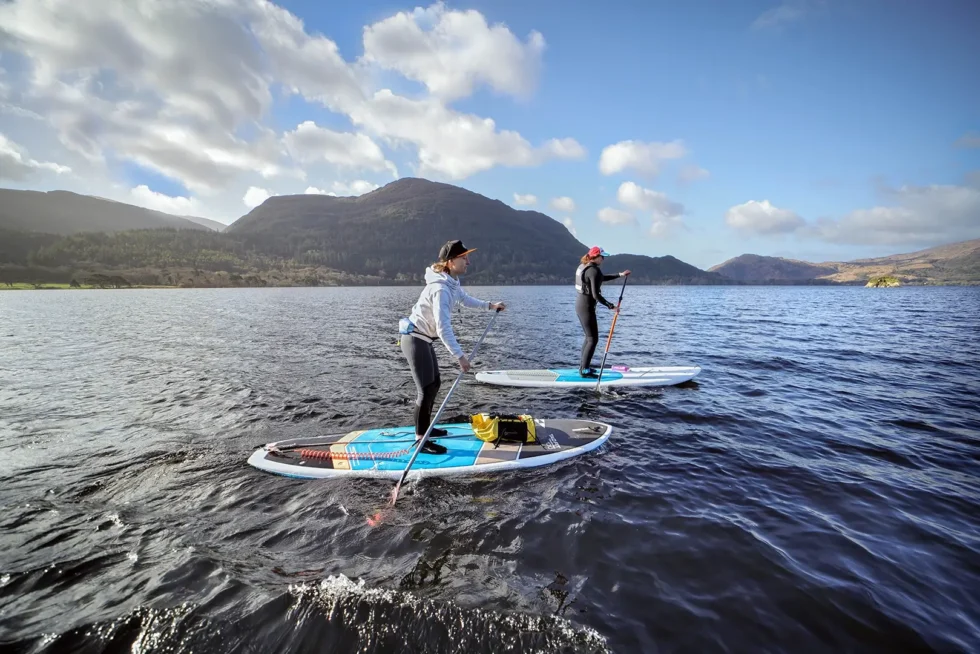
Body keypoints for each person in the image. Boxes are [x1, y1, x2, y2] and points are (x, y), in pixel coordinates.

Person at [399, 239, 506, 454]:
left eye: (467, 257)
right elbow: (442, 327)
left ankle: (427, 429)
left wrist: (489, 306)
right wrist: (460, 356)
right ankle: (421, 440)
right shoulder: (441, 289)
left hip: (424, 340)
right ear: (450, 261)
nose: (468, 261)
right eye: (464, 257)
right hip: (415, 339)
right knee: (425, 389)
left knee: (435, 383)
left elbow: (465, 299)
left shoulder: (451, 283)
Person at [574, 246, 630, 377]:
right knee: (593, 339)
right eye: (602, 256)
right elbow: (595, 295)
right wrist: (611, 306)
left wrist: (620, 275)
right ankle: (584, 370)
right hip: (586, 307)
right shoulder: (593, 271)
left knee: (589, 338)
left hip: (582, 305)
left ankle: (583, 367)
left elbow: (601, 278)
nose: (603, 259)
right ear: (596, 257)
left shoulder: (589, 268)